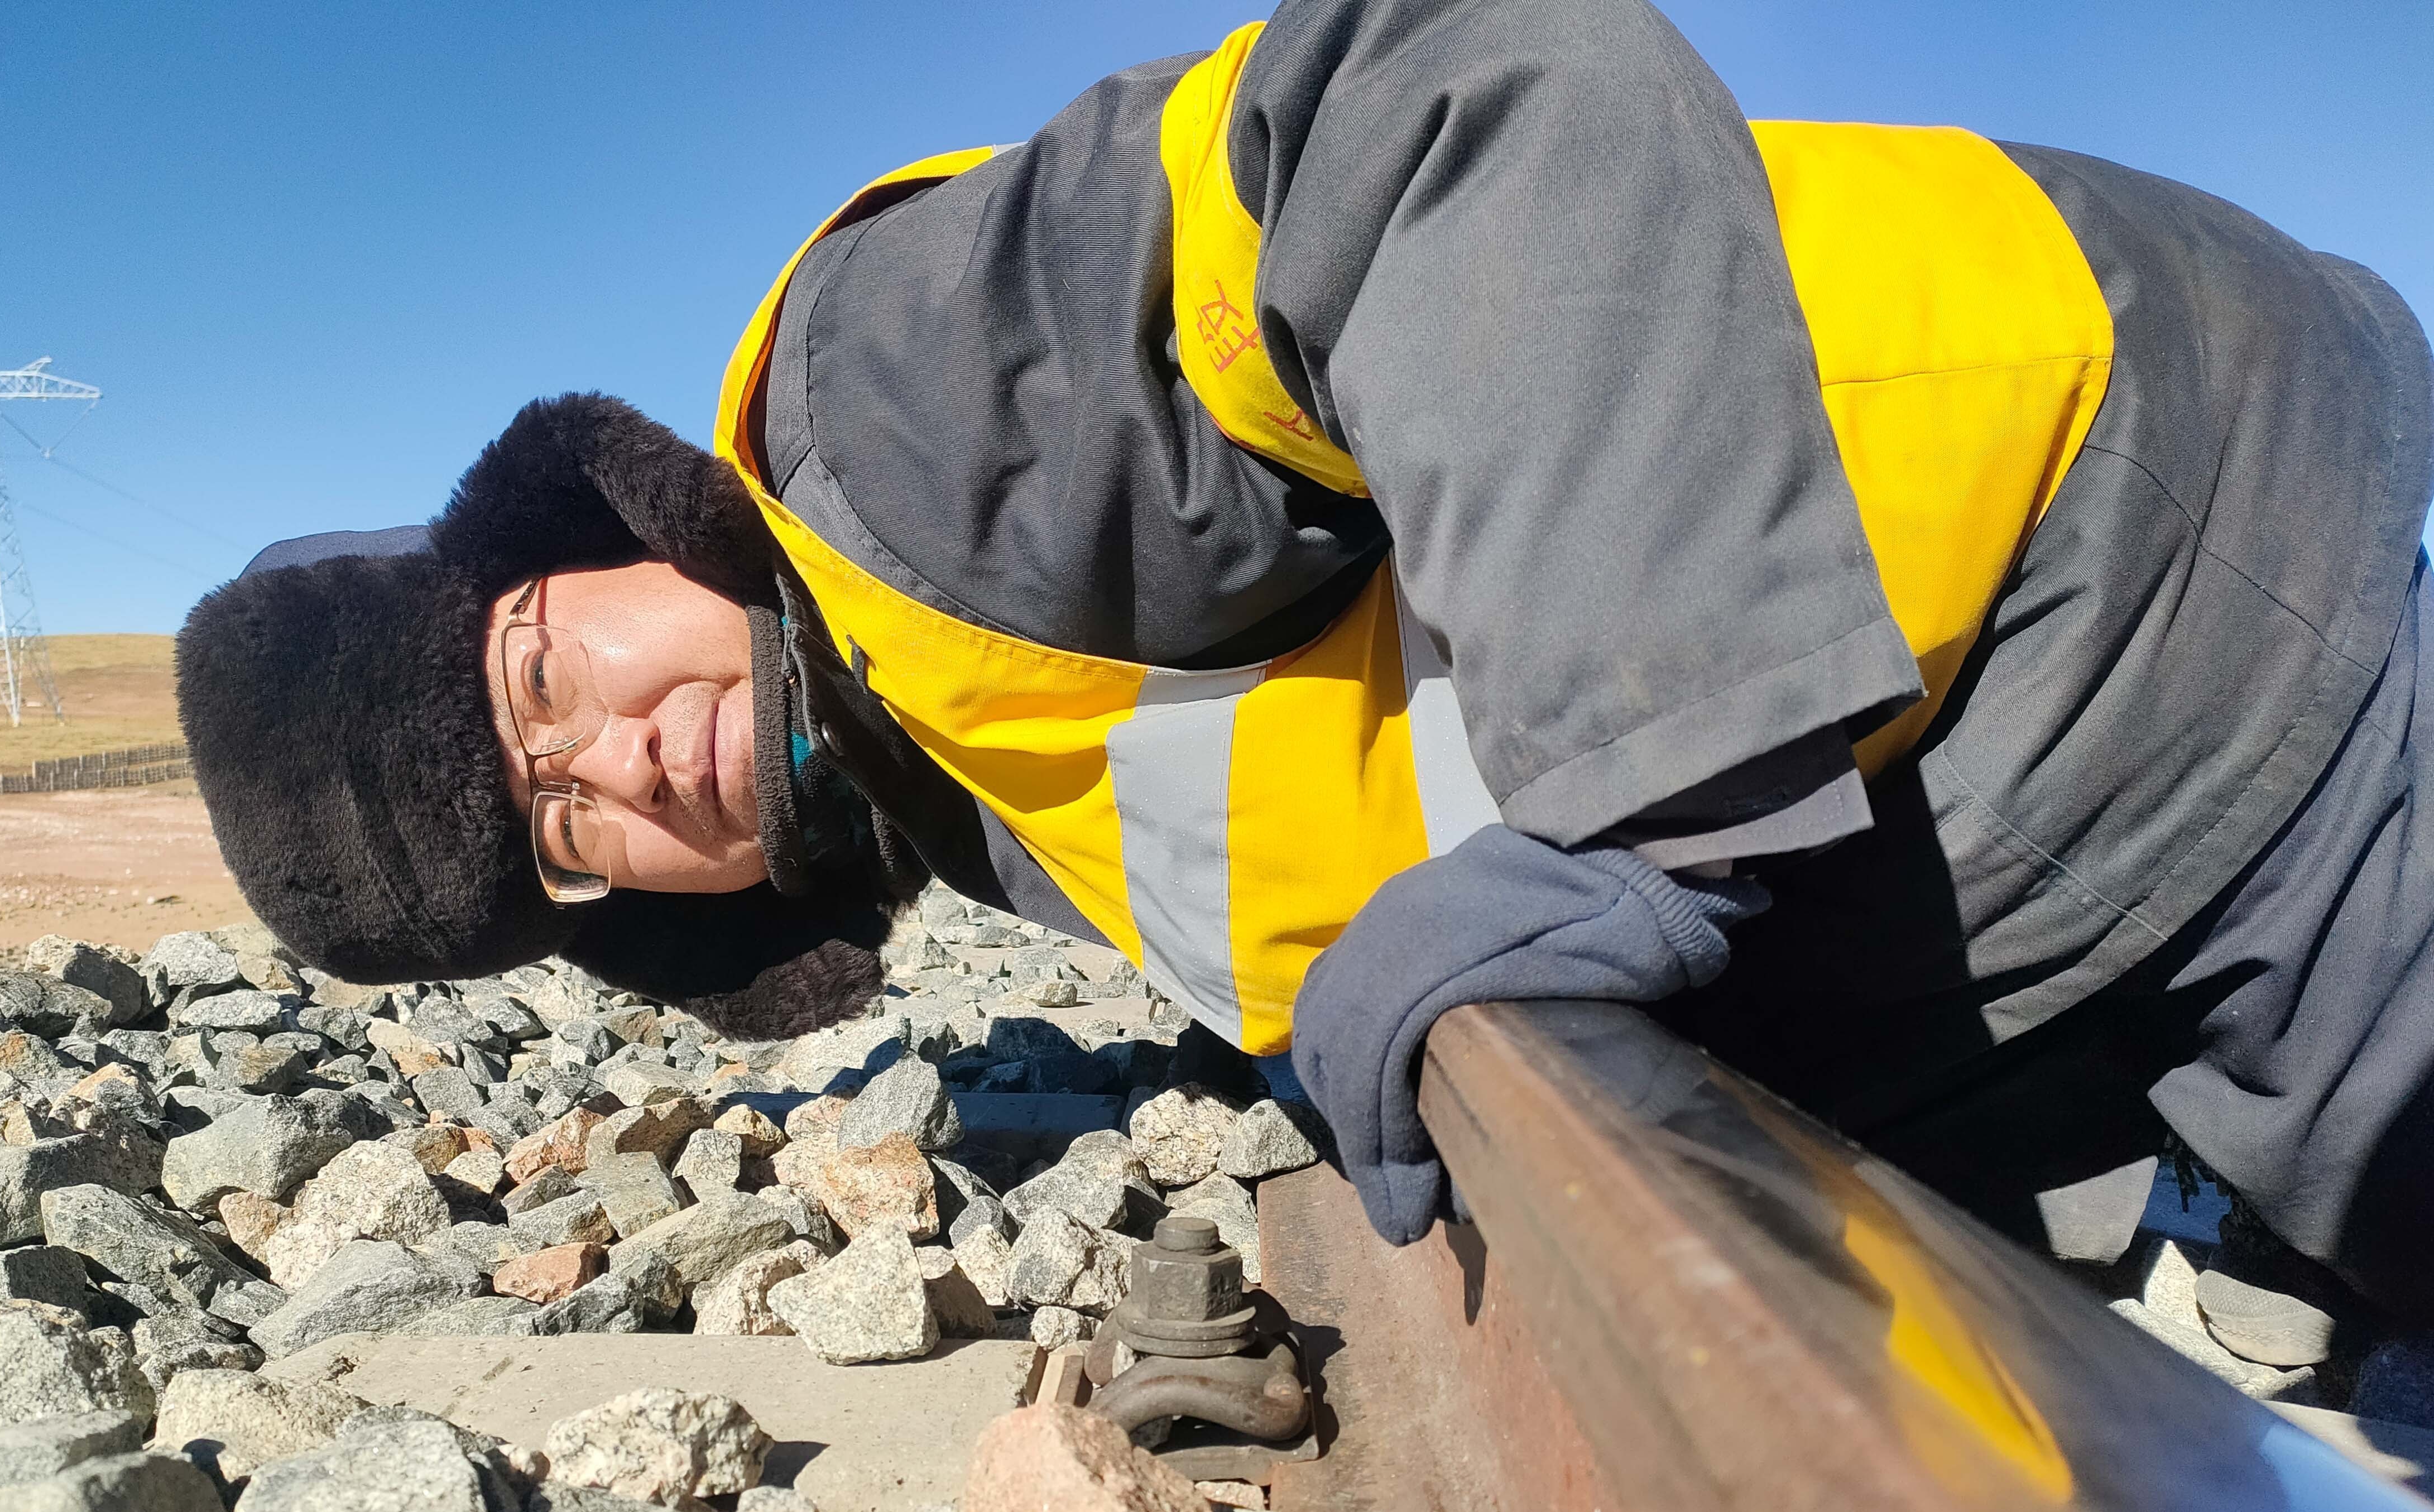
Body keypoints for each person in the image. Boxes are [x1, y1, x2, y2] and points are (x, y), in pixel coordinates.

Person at [176, 0, 2432, 1340]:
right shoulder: (968, 788)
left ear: (580, 547)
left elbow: (1451, 76)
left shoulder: (903, 418)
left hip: (2157, 574)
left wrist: (1634, 810)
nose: (617, 766)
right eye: (558, 833)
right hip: (2043, 884)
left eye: (537, 680)